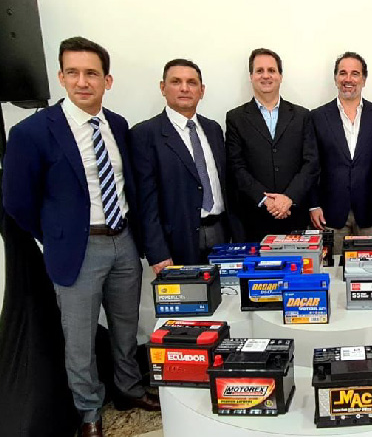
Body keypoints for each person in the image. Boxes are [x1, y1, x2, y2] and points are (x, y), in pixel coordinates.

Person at [2, 37, 159, 437]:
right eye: (73, 72)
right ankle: (89, 410)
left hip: (123, 241)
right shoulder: (32, 132)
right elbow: (17, 201)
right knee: (79, 338)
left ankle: (128, 389)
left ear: (107, 80)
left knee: (126, 327)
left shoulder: (117, 125)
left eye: (91, 73)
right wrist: (55, 236)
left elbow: (127, 185)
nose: (82, 81)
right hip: (77, 249)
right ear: (61, 77)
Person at [130, 59, 229, 272]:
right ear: (162, 87)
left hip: (221, 234)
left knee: (227, 292)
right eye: (176, 82)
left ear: (202, 91)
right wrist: (157, 251)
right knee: (187, 294)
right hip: (177, 240)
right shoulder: (145, 134)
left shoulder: (213, 129)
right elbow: (146, 201)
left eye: (192, 82)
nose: (184, 88)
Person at [226, 48, 319, 241]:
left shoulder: (301, 116)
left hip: (295, 216)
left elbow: (311, 163)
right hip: (254, 219)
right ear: (251, 76)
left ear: (280, 76)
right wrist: (265, 200)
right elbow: (236, 166)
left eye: (271, 70)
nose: (266, 76)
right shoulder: (236, 118)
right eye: (259, 71)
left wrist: (289, 198)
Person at [309, 52, 372, 254]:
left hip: (370, 211)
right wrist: (313, 205)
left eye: (355, 73)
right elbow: (310, 165)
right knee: (333, 269)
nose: (348, 79)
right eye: (343, 73)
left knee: (371, 268)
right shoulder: (317, 117)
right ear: (335, 78)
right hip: (330, 214)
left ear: (364, 79)